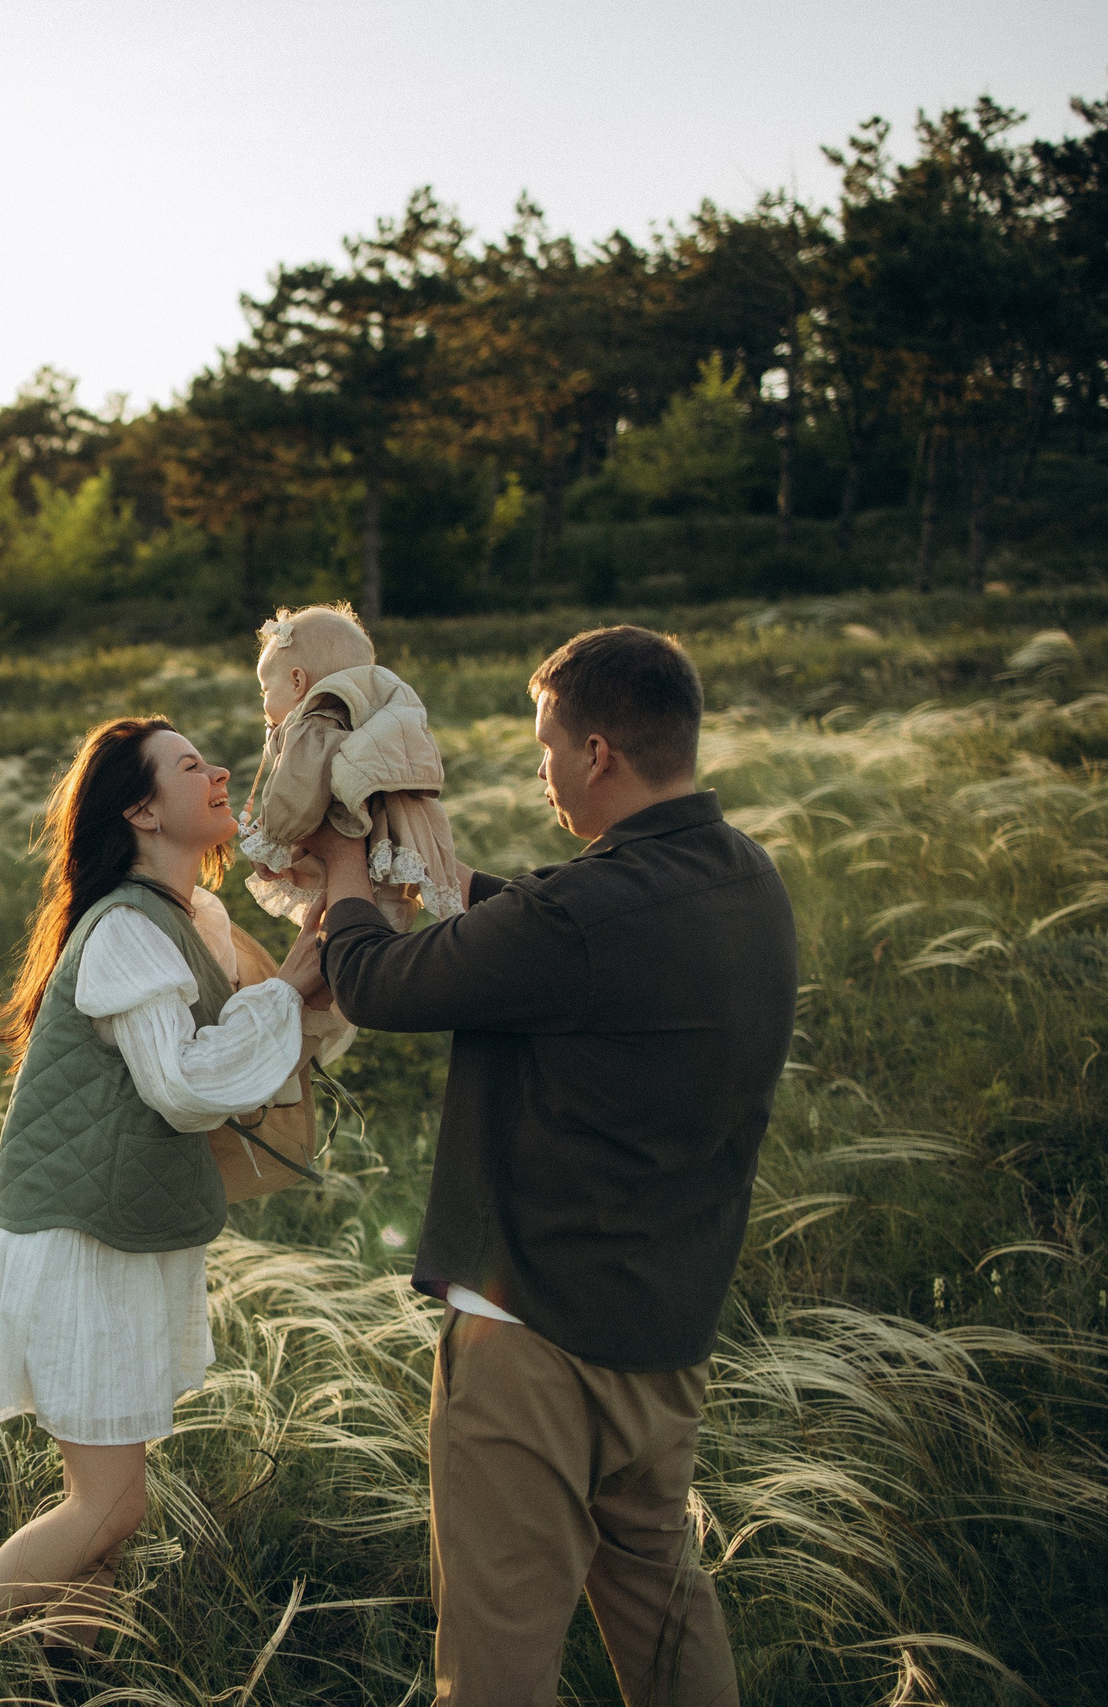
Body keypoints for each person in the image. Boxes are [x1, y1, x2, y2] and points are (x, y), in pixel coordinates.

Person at [306, 625, 796, 1706]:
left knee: (496, 1650)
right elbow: (556, 935)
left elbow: (381, 986)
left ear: (599, 753)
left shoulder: (581, 914)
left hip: (537, 1343)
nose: (540, 769)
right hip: (663, 1333)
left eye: (545, 746)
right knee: (659, 1605)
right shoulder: (743, 878)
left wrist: (346, 877)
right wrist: (452, 878)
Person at [0, 715, 332, 1697]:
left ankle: (66, 1682)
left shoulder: (193, 919)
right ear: (141, 809)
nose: (219, 771)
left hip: (128, 1234)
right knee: (108, 1506)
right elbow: (182, 1084)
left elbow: (271, 1044)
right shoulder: (126, 930)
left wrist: (311, 964)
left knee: (104, 1511)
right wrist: (291, 989)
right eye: (189, 766)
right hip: (79, 1240)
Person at [236, 602, 468, 929]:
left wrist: (271, 842)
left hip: (351, 856)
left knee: (350, 933)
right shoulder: (366, 722)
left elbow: (296, 795)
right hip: (387, 850)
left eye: (265, 690)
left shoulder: (312, 728)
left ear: (297, 681)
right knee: (387, 918)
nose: (264, 703)